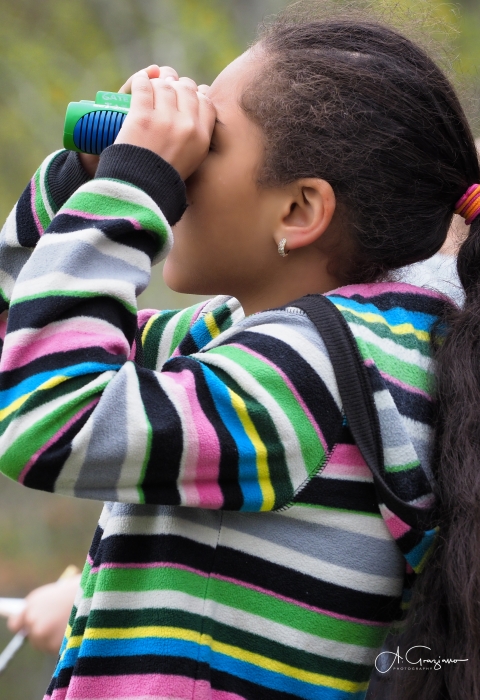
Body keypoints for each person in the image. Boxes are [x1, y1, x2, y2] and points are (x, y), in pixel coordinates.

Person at [0, 6, 478, 700]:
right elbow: (26, 343)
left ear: (298, 211)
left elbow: (48, 419)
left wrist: (133, 185)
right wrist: (83, 176)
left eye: (208, 141)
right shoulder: (274, 342)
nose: (180, 165)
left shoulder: (307, 372)